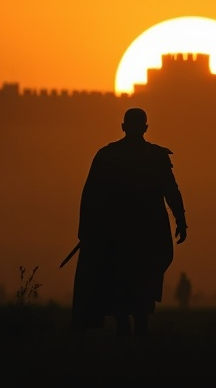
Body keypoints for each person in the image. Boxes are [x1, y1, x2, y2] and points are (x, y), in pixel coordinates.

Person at [71, 108, 187, 336]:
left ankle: (127, 326)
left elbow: (91, 196)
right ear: (145, 128)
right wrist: (181, 220)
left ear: (124, 127)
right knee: (138, 281)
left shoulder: (107, 156)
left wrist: (88, 231)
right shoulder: (155, 157)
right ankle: (136, 327)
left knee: (122, 281)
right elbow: (171, 191)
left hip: (118, 235)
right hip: (145, 234)